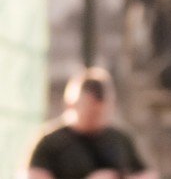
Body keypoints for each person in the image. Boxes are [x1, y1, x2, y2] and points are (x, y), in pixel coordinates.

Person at [27, 67, 157, 179]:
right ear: (71, 105)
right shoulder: (50, 143)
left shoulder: (120, 139)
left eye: (102, 113)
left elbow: (147, 174)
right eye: (91, 113)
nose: (97, 119)